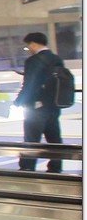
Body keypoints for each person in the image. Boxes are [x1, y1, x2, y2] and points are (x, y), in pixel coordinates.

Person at [16, 31, 66, 173]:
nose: (29, 49)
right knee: (54, 140)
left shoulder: (33, 61)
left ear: (33, 44)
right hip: (54, 107)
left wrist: (19, 101)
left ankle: (27, 168)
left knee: (31, 139)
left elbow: (30, 84)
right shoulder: (56, 59)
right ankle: (56, 169)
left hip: (36, 108)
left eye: (28, 46)